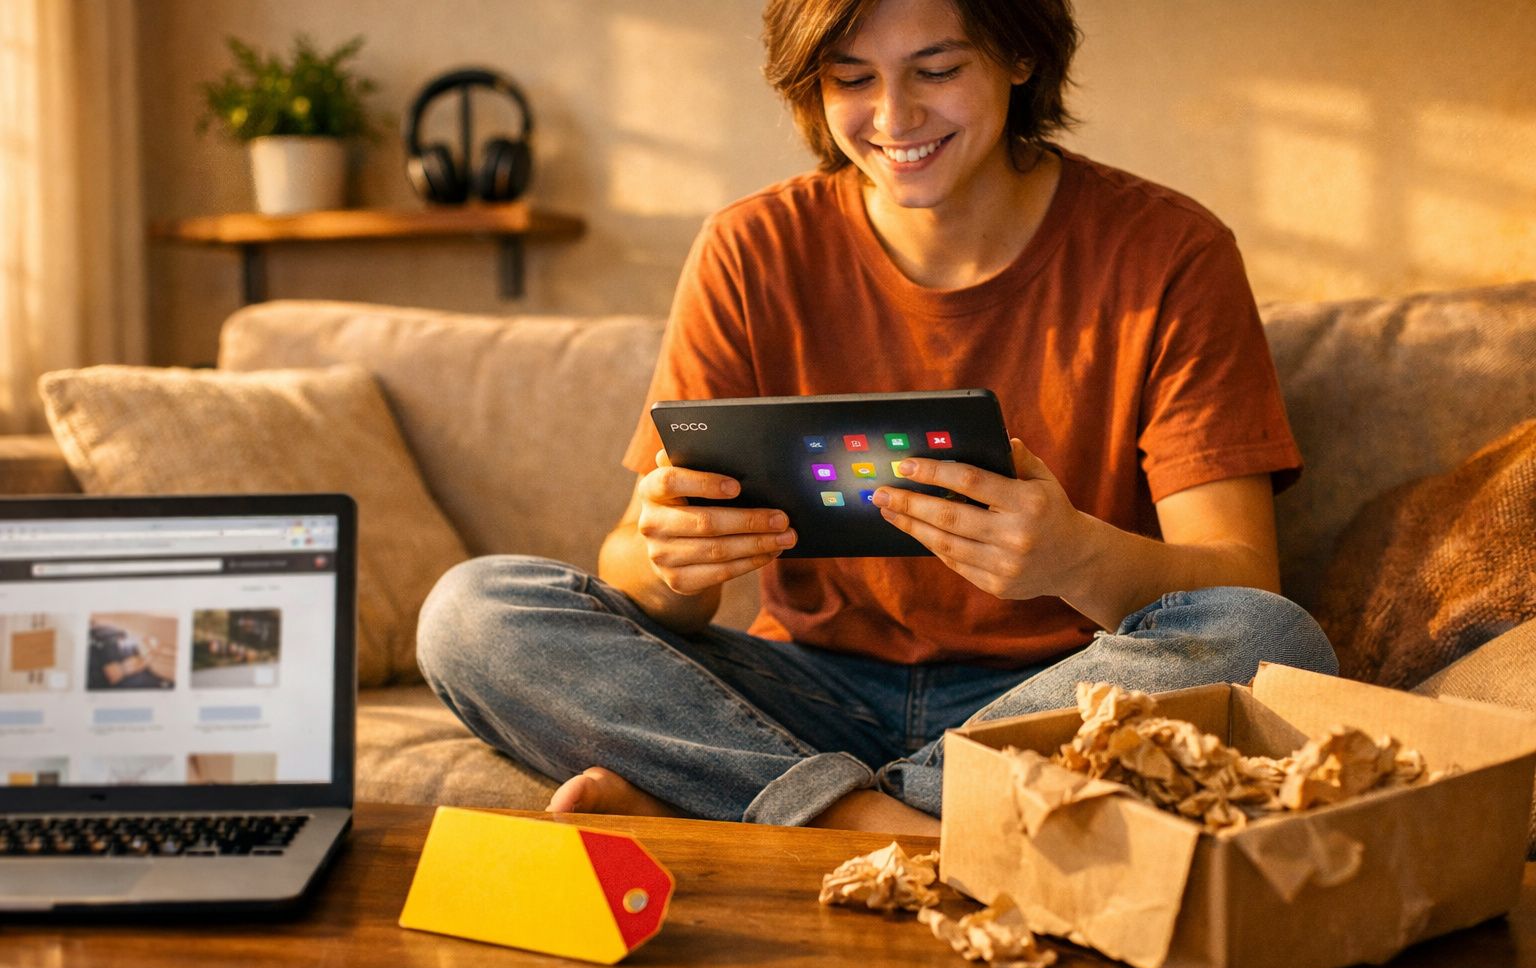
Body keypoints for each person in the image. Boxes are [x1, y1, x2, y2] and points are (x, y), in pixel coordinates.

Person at [417, 0, 1338, 836]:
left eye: (937, 70)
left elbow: (1243, 584)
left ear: (1019, 56)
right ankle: (879, 822)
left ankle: (759, 807)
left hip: (1057, 692)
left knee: (1272, 643)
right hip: (803, 689)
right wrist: (670, 562)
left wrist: (1073, 559)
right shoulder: (750, 249)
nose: (894, 119)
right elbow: (642, 569)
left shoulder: (1171, 252)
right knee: (472, 613)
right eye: (852, 79)